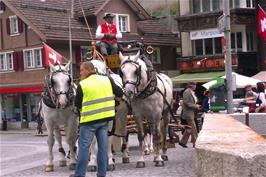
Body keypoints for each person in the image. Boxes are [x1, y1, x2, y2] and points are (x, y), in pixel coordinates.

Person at [70, 61, 123, 177]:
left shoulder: (82, 85)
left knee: (83, 149)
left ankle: (79, 175)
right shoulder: (107, 80)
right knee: (103, 149)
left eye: (81, 70)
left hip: (88, 121)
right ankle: (101, 174)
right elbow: (120, 92)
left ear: (89, 70)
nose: (80, 73)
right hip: (104, 120)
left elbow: (78, 104)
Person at [178, 81, 201, 148]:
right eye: (195, 85)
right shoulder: (186, 92)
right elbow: (187, 103)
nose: (196, 86)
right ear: (192, 86)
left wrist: (196, 106)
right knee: (194, 129)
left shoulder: (191, 92)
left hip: (192, 113)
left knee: (189, 129)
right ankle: (196, 143)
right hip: (188, 113)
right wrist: (195, 106)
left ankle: (182, 142)